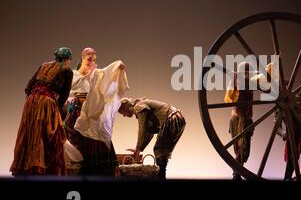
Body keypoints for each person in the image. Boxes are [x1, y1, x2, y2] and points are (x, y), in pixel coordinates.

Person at [65, 47, 128, 176]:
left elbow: (105, 77)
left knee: (98, 135)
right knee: (81, 142)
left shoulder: (95, 75)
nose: (91, 62)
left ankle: (100, 172)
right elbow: (68, 91)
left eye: (94, 60)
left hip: (90, 109)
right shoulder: (74, 74)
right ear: (82, 58)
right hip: (76, 111)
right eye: (89, 59)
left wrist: (116, 68)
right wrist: (86, 77)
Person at [10, 47, 74, 175]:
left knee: (29, 133)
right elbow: (64, 95)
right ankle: (41, 168)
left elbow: (28, 88)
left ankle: (26, 168)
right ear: (67, 59)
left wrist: (33, 100)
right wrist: (58, 109)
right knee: (47, 134)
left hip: (31, 102)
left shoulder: (44, 65)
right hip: (46, 102)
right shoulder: (67, 71)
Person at [118, 98, 186, 180]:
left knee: (159, 149)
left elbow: (143, 128)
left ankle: (161, 176)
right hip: (178, 119)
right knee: (162, 150)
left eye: (122, 113)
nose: (124, 116)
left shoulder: (139, 106)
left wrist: (138, 147)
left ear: (125, 107)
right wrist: (140, 148)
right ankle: (161, 174)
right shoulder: (141, 105)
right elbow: (149, 131)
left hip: (171, 119)